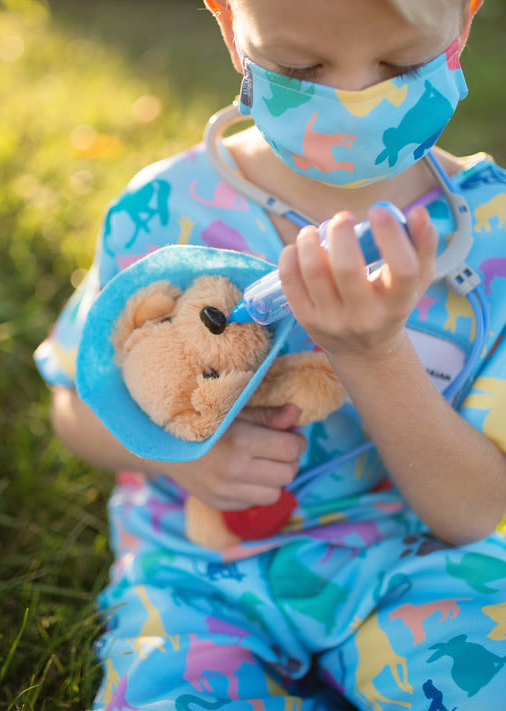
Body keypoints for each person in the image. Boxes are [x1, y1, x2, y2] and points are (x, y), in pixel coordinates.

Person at [35, 0, 506, 708]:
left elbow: (475, 510)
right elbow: (75, 400)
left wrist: (373, 355)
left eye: (400, 65)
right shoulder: (164, 211)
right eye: (298, 68)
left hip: (416, 562)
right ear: (230, 30)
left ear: (461, 27)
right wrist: (179, 454)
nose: (352, 100)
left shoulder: (491, 238)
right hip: (198, 573)